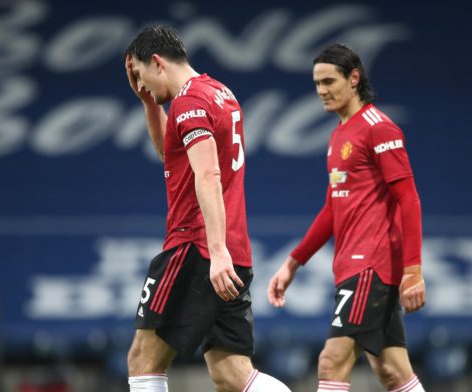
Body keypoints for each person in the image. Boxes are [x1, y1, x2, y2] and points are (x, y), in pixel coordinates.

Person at [123, 26, 291, 392]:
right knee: (232, 374)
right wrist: (149, 104)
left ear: (157, 62)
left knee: (142, 359)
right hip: (233, 250)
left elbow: (208, 174)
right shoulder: (220, 93)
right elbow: (174, 157)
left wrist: (215, 253)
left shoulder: (188, 102)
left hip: (196, 248)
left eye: (140, 76)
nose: (142, 85)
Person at [267, 43, 427, 392]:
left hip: (370, 265)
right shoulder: (339, 134)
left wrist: (413, 269)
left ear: (354, 78)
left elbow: (408, 199)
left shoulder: (379, 128)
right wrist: (294, 263)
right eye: (317, 83)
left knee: (331, 361)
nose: (321, 91)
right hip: (353, 266)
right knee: (392, 371)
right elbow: (332, 209)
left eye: (329, 81)